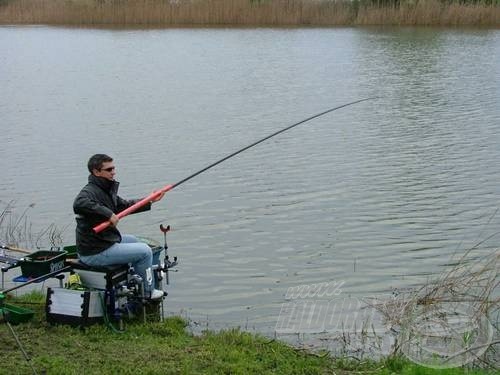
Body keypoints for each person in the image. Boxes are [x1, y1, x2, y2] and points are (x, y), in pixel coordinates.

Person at [73, 154, 165, 299]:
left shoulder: (104, 189)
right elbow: (79, 204)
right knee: (145, 251)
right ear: (96, 172)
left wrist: (150, 200)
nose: (113, 172)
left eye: (113, 168)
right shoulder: (89, 192)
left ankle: (134, 281)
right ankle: (147, 292)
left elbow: (125, 205)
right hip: (94, 252)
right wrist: (108, 213)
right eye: (109, 169)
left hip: (104, 241)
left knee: (135, 240)